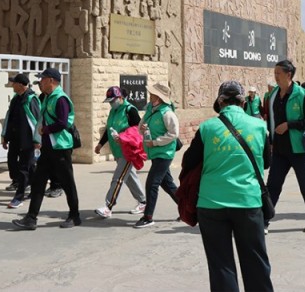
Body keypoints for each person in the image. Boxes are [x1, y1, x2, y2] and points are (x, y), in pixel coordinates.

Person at [182, 81, 273, 292]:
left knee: (220, 265)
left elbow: (189, 161)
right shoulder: (259, 126)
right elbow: (267, 163)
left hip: (211, 203)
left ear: (220, 102)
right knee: (255, 261)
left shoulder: (207, 128)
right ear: (243, 102)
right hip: (247, 201)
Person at [12, 68, 81, 230]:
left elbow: (63, 122)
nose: (40, 82)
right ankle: (31, 218)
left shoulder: (61, 99)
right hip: (48, 148)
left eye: (42, 79)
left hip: (60, 147)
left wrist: (46, 130)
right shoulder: (47, 97)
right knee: (38, 182)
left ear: (51, 80)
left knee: (67, 183)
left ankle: (74, 216)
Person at [265, 60, 305, 233]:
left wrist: (289, 125)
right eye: (275, 73)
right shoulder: (273, 94)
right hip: (279, 149)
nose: (275, 76)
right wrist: (270, 142)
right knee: (272, 186)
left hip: (298, 149)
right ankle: (263, 221)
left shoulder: (301, 94)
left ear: (288, 75)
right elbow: (270, 120)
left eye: (278, 73)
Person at [94, 86, 147, 218]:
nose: (111, 104)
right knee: (130, 177)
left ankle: (108, 206)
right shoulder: (113, 111)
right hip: (118, 151)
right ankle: (143, 202)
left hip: (128, 151)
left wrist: (123, 137)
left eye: (113, 101)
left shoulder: (130, 110)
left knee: (118, 178)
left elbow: (137, 131)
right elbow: (109, 129)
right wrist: (100, 144)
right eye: (109, 101)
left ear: (120, 98)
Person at [135, 82, 179, 228]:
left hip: (164, 153)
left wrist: (155, 142)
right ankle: (190, 210)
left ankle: (148, 217)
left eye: (152, 94)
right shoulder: (150, 109)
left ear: (159, 98)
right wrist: (143, 128)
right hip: (154, 152)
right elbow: (140, 127)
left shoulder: (167, 113)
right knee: (167, 184)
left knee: (152, 183)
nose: (150, 96)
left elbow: (173, 133)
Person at [1, 73, 41, 209]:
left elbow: (36, 121)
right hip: (15, 139)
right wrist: (5, 137)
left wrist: (37, 139)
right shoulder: (16, 99)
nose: (12, 85)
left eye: (14, 83)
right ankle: (34, 189)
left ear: (20, 84)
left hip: (28, 140)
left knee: (24, 168)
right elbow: (9, 118)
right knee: (14, 163)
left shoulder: (31, 99)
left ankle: (19, 197)